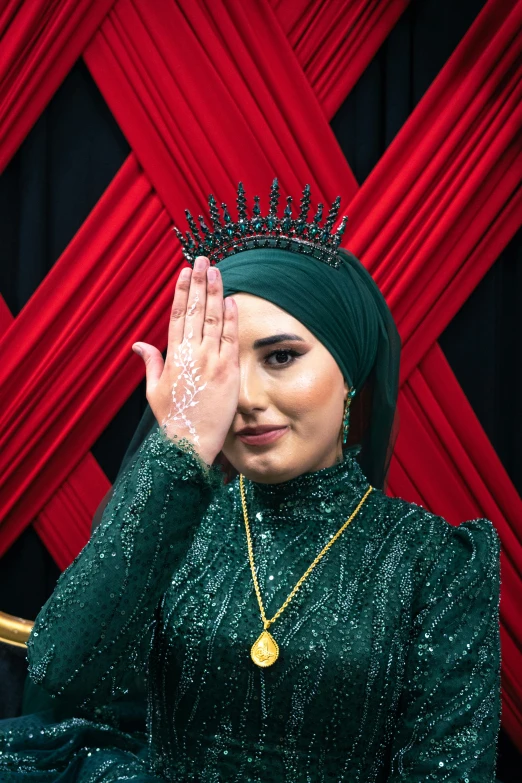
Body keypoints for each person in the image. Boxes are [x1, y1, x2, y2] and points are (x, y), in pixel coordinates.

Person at [0, 181, 501, 781]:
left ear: (349, 371)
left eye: (281, 357)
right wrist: (180, 445)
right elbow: (58, 672)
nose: (246, 399)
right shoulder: (170, 517)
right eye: (219, 367)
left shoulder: (434, 562)